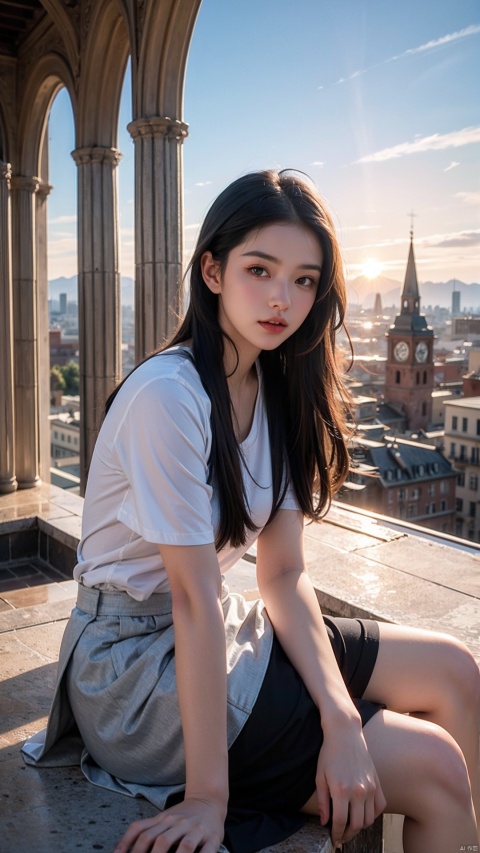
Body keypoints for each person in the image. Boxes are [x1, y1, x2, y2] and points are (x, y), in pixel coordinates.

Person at [23, 170, 479, 853]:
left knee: (456, 671)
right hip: (131, 669)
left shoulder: (277, 385)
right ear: (212, 269)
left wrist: (341, 718)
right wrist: (209, 797)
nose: (282, 298)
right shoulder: (168, 396)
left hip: (221, 632)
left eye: (304, 279)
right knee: (436, 767)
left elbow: (284, 573)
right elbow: (193, 596)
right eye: (260, 269)